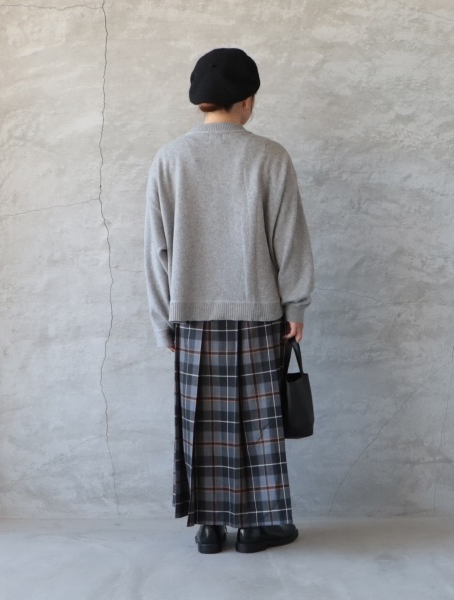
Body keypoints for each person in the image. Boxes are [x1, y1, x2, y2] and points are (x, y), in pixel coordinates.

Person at [144, 48, 314, 554]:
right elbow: (290, 240)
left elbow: (157, 250)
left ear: (201, 101)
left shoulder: (169, 159)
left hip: (191, 316)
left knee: (203, 425)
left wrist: (162, 321)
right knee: (258, 423)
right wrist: (296, 305)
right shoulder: (270, 156)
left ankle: (210, 527)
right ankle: (258, 527)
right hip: (258, 311)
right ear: (248, 100)